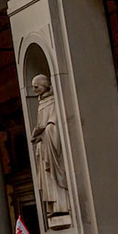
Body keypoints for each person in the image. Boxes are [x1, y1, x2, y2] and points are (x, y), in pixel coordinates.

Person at [30, 74, 71, 224]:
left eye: (36, 87)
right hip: (43, 145)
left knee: (54, 174)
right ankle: (53, 207)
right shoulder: (41, 102)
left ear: (45, 85)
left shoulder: (54, 101)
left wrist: (45, 131)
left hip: (50, 143)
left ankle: (62, 205)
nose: (34, 90)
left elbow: (53, 123)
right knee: (47, 179)